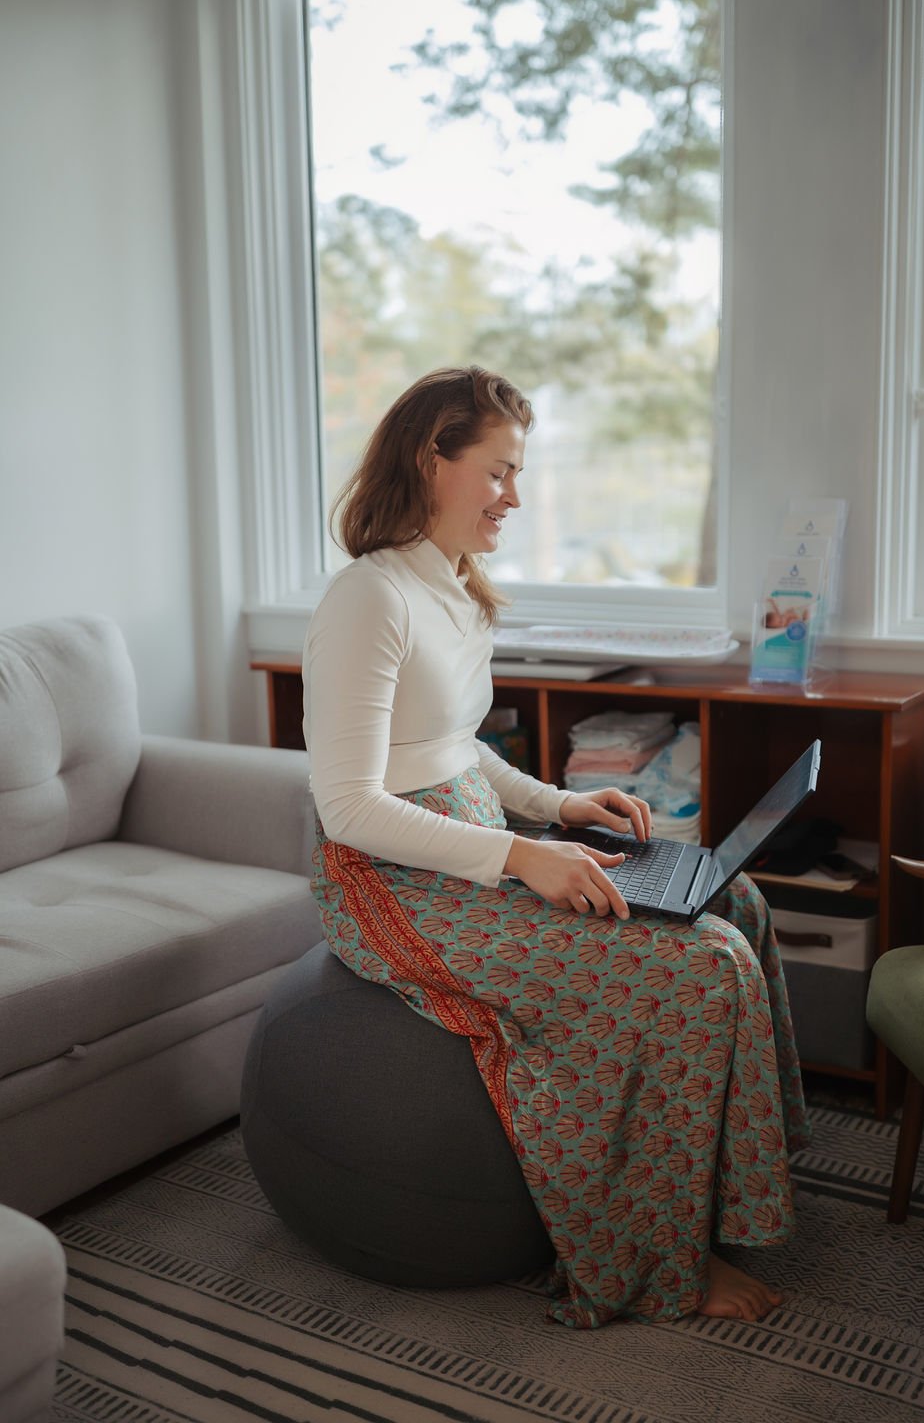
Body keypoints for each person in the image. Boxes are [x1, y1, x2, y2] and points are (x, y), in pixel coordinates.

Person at [303, 365, 809, 1329]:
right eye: (497, 472)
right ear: (430, 459)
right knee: (697, 969)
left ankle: (733, 1195)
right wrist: (524, 857)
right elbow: (349, 809)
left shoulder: (454, 585)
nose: (515, 498)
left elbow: (456, 753)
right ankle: (660, 1261)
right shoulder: (368, 598)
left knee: (736, 905)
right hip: (387, 881)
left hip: (468, 838)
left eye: (518, 473)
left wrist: (561, 807)